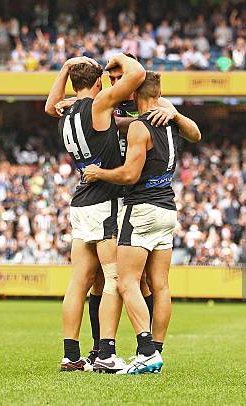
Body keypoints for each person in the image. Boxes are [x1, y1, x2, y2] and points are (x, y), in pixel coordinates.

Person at [45, 54, 158, 372]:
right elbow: (137, 74)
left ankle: (71, 355)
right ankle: (106, 353)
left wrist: (67, 66)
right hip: (105, 199)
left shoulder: (63, 112)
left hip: (81, 201)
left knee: (79, 282)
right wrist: (117, 60)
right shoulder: (98, 105)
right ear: (97, 83)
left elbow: (48, 104)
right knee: (114, 278)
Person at [84, 71, 201, 374]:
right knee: (160, 285)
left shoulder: (141, 126)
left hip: (142, 208)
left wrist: (99, 173)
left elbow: (128, 175)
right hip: (167, 209)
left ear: (135, 94)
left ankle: (146, 350)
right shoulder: (170, 120)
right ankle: (156, 351)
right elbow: (196, 133)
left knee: (126, 281)